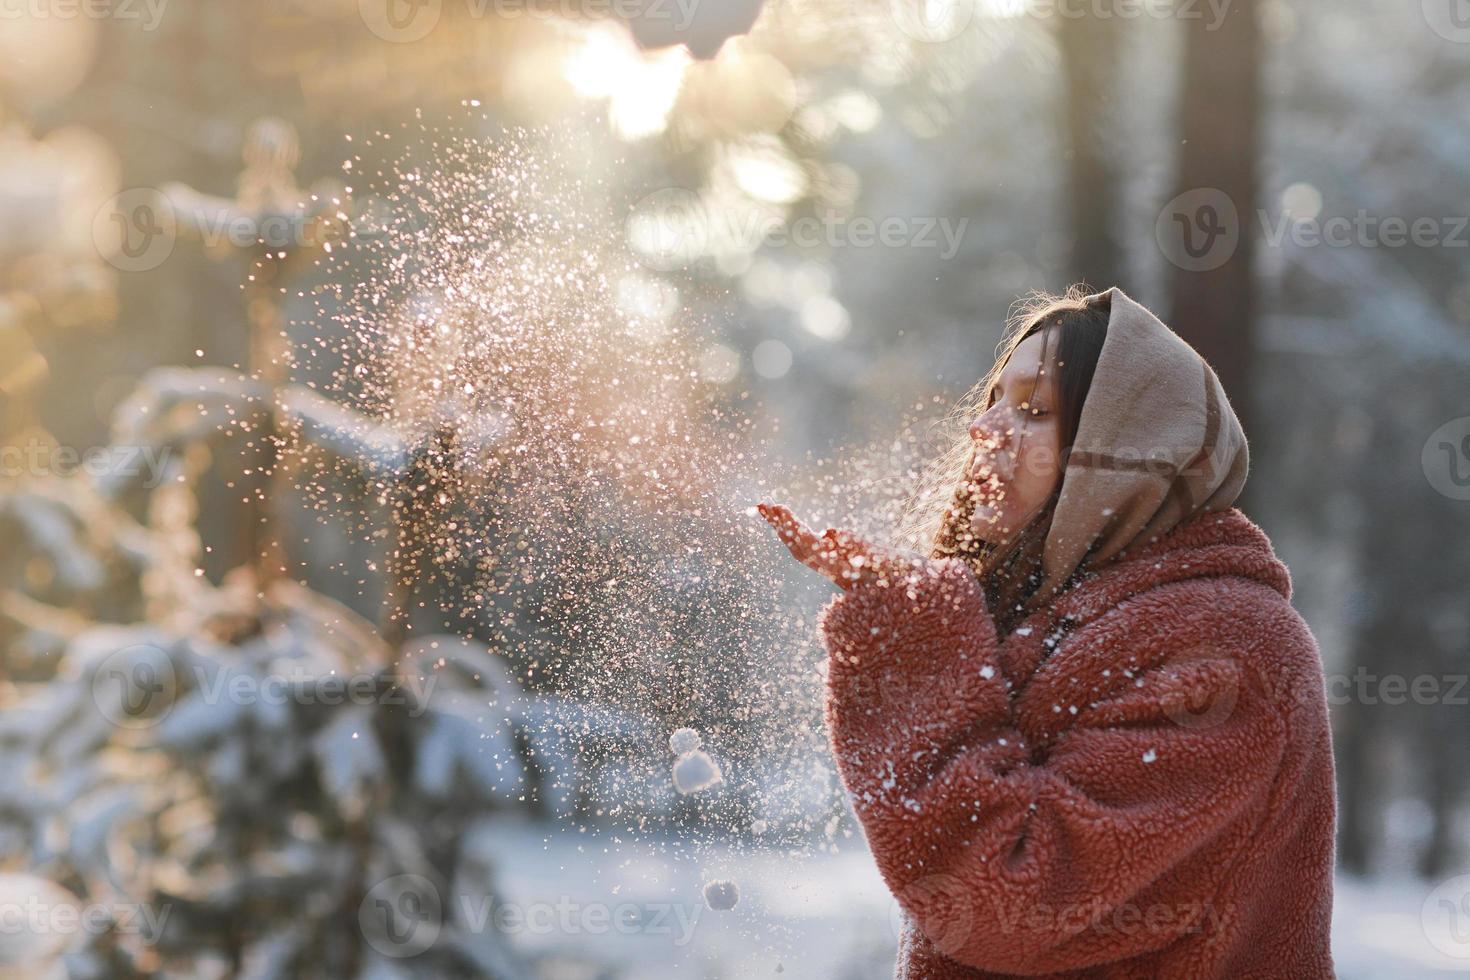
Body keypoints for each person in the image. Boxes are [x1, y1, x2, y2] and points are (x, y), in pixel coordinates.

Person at [757, 285, 1337, 979]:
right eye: (992, 401)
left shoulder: (1229, 644)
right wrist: (910, 621)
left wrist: (917, 639)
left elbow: (1012, 902)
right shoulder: (1051, 618)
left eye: (1033, 409)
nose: (985, 429)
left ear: (1120, 450)